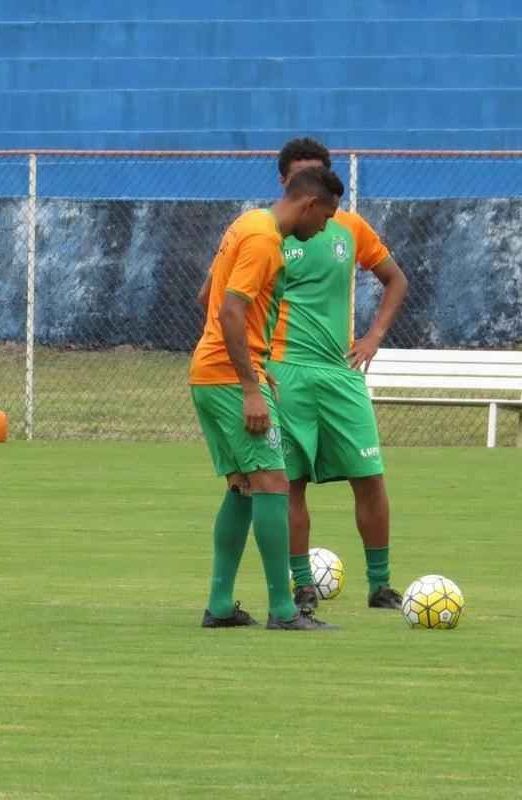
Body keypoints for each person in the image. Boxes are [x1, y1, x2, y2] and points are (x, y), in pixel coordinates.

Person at [190, 165, 344, 631]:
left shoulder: (245, 223)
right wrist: (250, 385)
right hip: (231, 380)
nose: (323, 229)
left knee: (242, 487)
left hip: (211, 372)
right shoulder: (263, 239)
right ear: (310, 204)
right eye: (326, 216)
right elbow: (231, 311)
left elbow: (206, 298)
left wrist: (251, 362)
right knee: (274, 483)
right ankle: (284, 609)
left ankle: (219, 607)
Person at [265, 138, 409, 611]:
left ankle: (380, 585)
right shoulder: (266, 232)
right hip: (286, 373)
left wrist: (372, 337)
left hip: (341, 372)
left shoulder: (349, 226)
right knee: (289, 483)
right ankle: (302, 585)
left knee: (370, 476)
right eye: (299, 177)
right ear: (285, 182)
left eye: (317, 177)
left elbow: (396, 279)